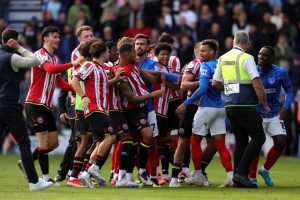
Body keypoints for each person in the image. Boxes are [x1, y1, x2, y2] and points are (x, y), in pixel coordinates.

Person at [212, 31, 270, 188]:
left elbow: (215, 83)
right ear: (247, 44)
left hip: (230, 106)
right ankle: (241, 173)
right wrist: (264, 104)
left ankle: (238, 177)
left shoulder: (223, 58)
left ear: (233, 42)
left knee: (242, 141)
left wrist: (231, 89)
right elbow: (257, 83)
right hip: (246, 105)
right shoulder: (247, 58)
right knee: (259, 138)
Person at [175, 39, 233, 188]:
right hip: (221, 108)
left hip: (206, 107)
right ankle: (230, 176)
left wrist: (185, 103)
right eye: (200, 51)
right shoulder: (220, 65)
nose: (201, 53)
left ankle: (198, 174)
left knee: (194, 141)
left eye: (204, 51)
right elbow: (226, 86)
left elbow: (201, 89)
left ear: (212, 52)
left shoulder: (206, 66)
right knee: (220, 144)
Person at [25, 26, 79, 183]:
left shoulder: (55, 58)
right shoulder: (39, 55)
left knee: (53, 144)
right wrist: (73, 63)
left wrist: (76, 89)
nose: (58, 39)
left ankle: (26, 162)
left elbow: (58, 81)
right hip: (34, 104)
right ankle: (46, 178)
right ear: (45, 38)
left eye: (59, 37)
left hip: (46, 107)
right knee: (45, 143)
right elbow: (49, 69)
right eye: (55, 36)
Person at [0, 28, 53, 191]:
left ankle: (34, 181)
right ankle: (34, 182)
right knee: (24, 142)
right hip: (9, 104)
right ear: (14, 40)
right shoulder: (12, 57)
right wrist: (19, 48)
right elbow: (35, 60)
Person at [71, 39, 116, 186]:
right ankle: (94, 168)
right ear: (103, 53)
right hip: (94, 108)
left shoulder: (101, 69)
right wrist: (83, 96)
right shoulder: (90, 65)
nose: (109, 53)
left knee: (99, 143)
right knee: (111, 135)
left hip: (101, 109)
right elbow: (74, 80)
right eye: (108, 51)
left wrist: (115, 79)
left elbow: (99, 85)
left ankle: (85, 174)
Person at [249, 46, 293, 186]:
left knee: (281, 142)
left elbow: (290, 91)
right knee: (256, 145)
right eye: (259, 54)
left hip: (274, 113)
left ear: (272, 58)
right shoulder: (253, 71)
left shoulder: (280, 72)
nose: (260, 57)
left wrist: (285, 106)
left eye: (264, 55)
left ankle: (264, 169)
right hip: (257, 113)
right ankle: (251, 178)